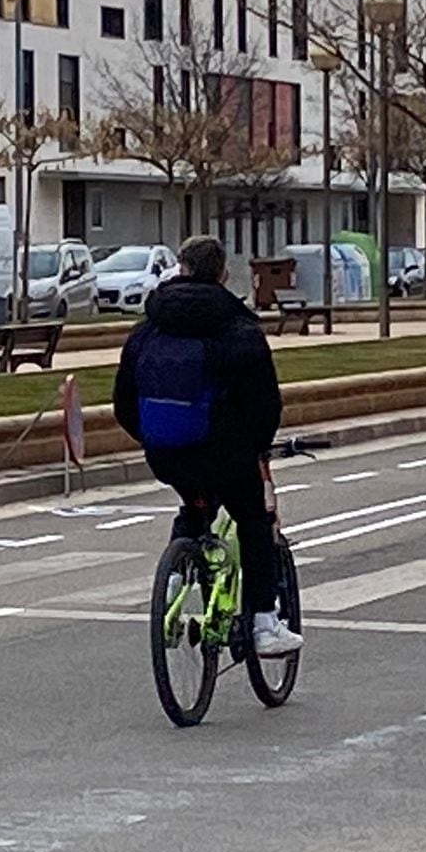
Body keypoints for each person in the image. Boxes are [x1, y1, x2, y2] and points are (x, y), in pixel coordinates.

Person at [113, 235, 302, 656]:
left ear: (180, 269)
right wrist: (254, 447)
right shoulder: (239, 328)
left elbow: (123, 402)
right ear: (222, 273)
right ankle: (264, 625)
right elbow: (265, 403)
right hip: (226, 453)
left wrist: (155, 438)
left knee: (196, 502)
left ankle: (176, 576)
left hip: (166, 453)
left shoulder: (147, 329)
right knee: (253, 521)